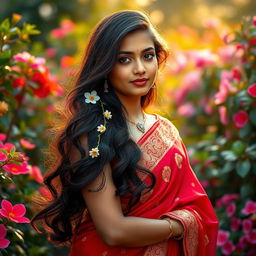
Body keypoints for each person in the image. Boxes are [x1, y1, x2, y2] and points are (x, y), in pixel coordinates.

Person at [31, 10, 218, 255]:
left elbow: (195, 204)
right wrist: (179, 225)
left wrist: (184, 221)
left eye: (147, 56)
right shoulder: (92, 134)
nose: (140, 69)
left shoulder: (166, 131)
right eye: (124, 59)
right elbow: (113, 231)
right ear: (106, 66)